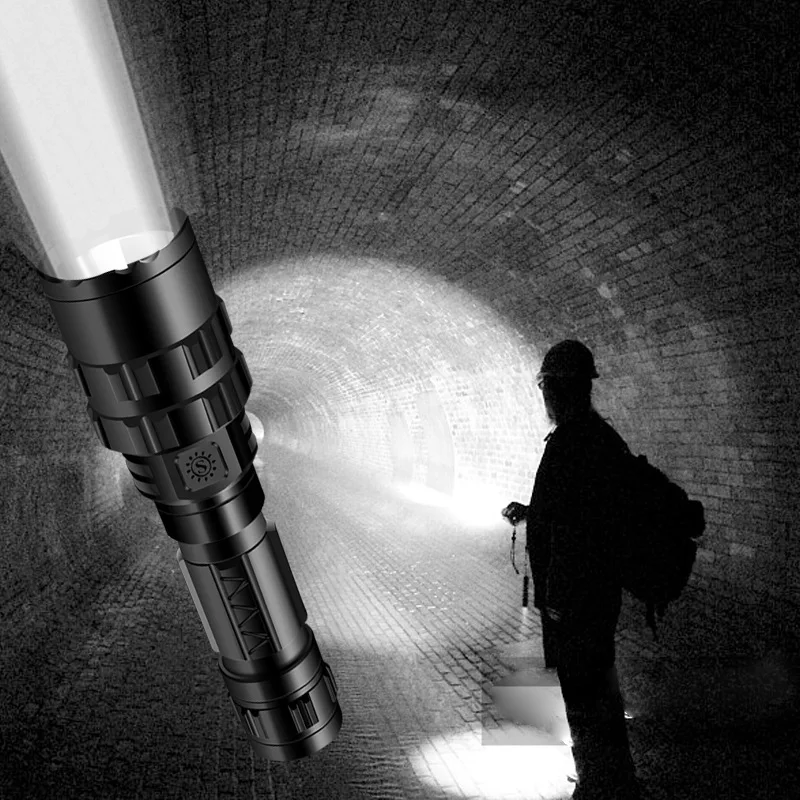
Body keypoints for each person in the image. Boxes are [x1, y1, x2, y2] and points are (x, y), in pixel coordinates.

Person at [525, 340, 642, 800]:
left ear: (556, 389)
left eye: (546, 388)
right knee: (597, 687)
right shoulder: (599, 439)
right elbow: (569, 511)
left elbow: (577, 527)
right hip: (592, 594)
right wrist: (531, 513)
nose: (545, 397)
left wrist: (556, 600)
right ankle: (612, 778)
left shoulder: (572, 444)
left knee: (585, 692)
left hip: (575, 600)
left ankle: (601, 784)